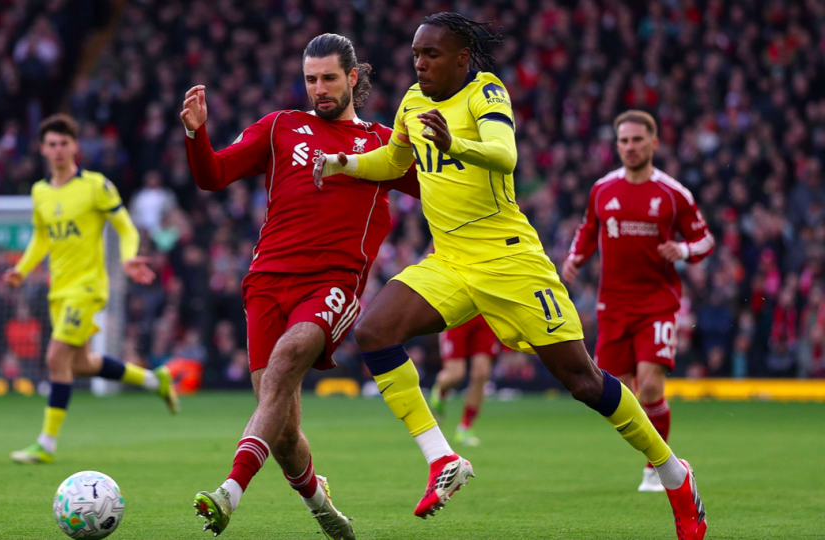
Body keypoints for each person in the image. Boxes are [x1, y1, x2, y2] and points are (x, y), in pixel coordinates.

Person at [315, 13, 707, 539]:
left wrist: (455, 145)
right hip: (450, 260)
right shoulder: (411, 101)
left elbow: (505, 155)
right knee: (374, 330)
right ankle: (442, 459)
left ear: (462, 58)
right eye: (415, 54)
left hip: (510, 261)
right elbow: (393, 160)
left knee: (582, 381)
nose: (420, 63)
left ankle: (675, 474)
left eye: (431, 54)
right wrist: (344, 163)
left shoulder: (486, 92)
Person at [180, 34, 418, 539]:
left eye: (329, 78)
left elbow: (439, 191)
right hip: (266, 281)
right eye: (311, 79)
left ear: (353, 77)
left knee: (288, 359)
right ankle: (320, 504)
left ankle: (229, 491)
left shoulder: (383, 145)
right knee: (283, 428)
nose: (319, 89)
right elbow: (213, 175)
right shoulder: (280, 127)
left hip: (333, 283)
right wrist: (196, 135)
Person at [6, 114, 177, 465]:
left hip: (87, 287)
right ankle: (154, 381)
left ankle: (46, 444)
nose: (58, 149)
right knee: (81, 364)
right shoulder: (39, 192)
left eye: (64, 143)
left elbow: (125, 227)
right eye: (51, 144)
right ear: (42, 149)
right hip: (59, 289)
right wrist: (21, 270)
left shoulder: (96, 185)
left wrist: (128, 258)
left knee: (55, 358)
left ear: (75, 147)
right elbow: (41, 238)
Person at [563, 110, 715, 492]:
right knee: (619, 394)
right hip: (612, 306)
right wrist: (576, 257)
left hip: (657, 304)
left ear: (654, 143)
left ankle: (658, 467)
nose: (630, 147)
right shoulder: (602, 189)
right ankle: (654, 455)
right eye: (623, 141)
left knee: (650, 386)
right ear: (616, 145)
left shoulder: (672, 194)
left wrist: (682, 250)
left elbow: (705, 240)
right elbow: (588, 229)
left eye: (637, 140)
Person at [430, 315, 499, 446]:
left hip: (483, 316)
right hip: (457, 315)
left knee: (481, 374)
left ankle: (465, 427)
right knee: (455, 375)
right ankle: (440, 390)